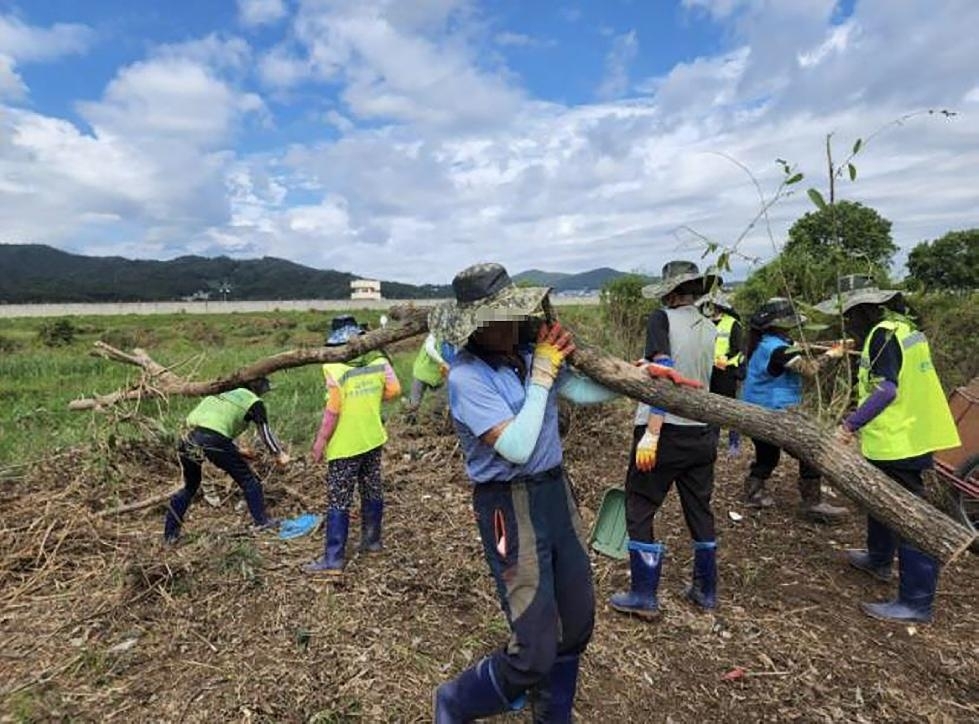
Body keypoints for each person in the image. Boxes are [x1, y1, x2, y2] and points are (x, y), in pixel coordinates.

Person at [429, 262, 638, 723]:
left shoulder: (525, 355)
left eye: (511, 313)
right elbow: (517, 448)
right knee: (533, 649)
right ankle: (455, 701)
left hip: (553, 492)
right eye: (497, 318)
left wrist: (636, 380)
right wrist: (542, 375)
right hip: (508, 503)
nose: (509, 324)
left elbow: (582, 392)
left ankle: (551, 714)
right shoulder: (467, 378)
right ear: (475, 327)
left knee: (578, 621)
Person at [816, 276, 960, 623]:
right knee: (879, 498)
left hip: (900, 438)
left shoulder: (882, 334)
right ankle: (879, 558)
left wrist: (849, 424)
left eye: (850, 314)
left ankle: (915, 602)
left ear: (864, 311)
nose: (848, 321)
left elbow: (886, 391)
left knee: (909, 515)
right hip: (906, 433)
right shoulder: (902, 328)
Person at [609, 261, 721, 619]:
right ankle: (706, 591)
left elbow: (667, 371)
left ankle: (644, 595)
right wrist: (646, 365)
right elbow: (686, 369)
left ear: (671, 293)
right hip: (701, 432)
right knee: (699, 507)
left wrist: (652, 432)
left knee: (639, 505)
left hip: (665, 429)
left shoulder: (661, 319)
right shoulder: (709, 325)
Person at [303, 317, 401, 577]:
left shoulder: (333, 368)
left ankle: (333, 560)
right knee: (371, 488)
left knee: (339, 498)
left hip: (345, 445)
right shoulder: (378, 362)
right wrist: (368, 399)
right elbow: (394, 390)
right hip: (372, 438)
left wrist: (320, 442)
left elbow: (333, 409)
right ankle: (372, 542)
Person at [739, 298, 850, 523]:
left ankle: (753, 492)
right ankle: (812, 503)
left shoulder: (768, 342)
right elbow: (809, 369)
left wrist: (830, 345)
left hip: (756, 409)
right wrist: (832, 354)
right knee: (809, 452)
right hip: (773, 411)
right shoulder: (778, 349)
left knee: (767, 455)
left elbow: (797, 350)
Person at [164, 377, 288, 543]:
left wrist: (237, 451)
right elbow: (264, 432)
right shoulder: (254, 402)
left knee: (190, 486)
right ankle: (262, 522)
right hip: (213, 440)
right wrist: (278, 453)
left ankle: (170, 535)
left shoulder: (222, 394)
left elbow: (209, 426)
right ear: (258, 388)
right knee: (249, 480)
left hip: (187, 438)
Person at [698, 291, 744, 456]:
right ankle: (712, 439)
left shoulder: (732, 323)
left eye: (711, 306)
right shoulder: (704, 323)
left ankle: (734, 442)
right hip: (707, 370)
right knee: (711, 405)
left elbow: (738, 349)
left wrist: (725, 359)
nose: (708, 309)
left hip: (727, 371)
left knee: (731, 407)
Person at [404, 333, 456, 419]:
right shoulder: (434, 335)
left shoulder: (453, 345)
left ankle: (437, 424)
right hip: (422, 372)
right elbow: (429, 348)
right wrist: (442, 362)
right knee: (414, 404)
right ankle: (408, 422)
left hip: (437, 378)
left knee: (440, 403)